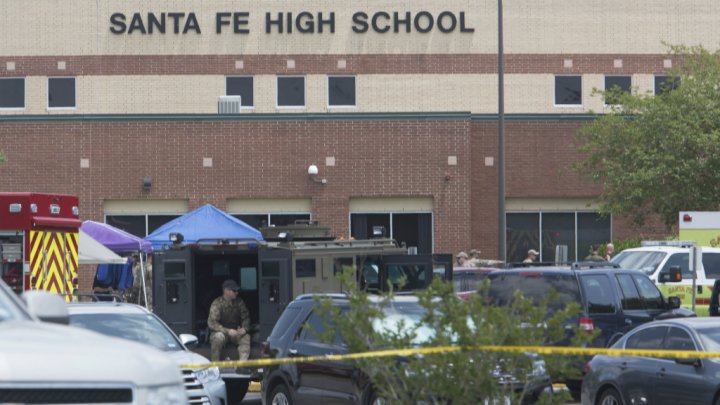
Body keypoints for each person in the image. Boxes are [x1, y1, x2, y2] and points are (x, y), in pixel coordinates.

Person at [208, 279, 251, 363]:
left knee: (246, 337)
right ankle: (215, 365)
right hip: (221, 332)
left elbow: (246, 317)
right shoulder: (217, 303)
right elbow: (212, 323)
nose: (236, 293)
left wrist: (244, 328)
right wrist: (227, 331)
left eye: (237, 290)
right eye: (234, 290)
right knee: (218, 338)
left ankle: (242, 365)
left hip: (236, 332)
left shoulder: (239, 302)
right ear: (226, 291)